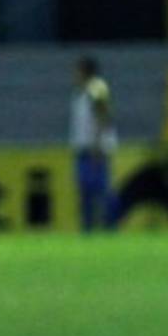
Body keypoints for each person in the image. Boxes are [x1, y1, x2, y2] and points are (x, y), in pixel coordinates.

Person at [70, 55, 117, 231]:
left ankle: (111, 226)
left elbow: (103, 117)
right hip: (83, 148)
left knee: (101, 190)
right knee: (86, 191)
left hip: (95, 149)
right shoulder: (80, 93)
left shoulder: (97, 89)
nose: (73, 75)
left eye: (76, 71)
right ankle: (88, 228)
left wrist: (98, 145)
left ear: (84, 71)